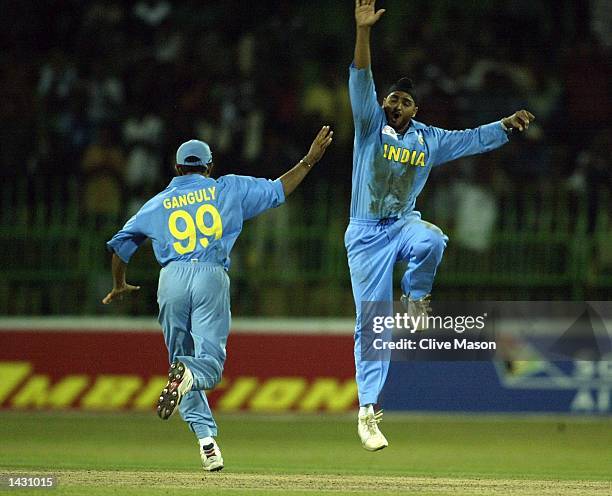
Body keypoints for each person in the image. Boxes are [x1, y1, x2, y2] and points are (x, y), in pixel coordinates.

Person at [347, 0, 535, 452]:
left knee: (432, 238)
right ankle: (368, 413)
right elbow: (361, 77)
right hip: (366, 234)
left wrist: (505, 127)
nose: (396, 103)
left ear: (415, 109)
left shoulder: (429, 138)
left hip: (403, 224)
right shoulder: (370, 125)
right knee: (371, 325)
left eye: (405, 100)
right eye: (392, 97)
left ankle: (415, 299)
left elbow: (471, 140)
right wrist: (364, 32)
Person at [102, 126, 333, 471]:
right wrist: (309, 161)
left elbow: (120, 246)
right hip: (210, 274)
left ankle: (206, 441)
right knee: (205, 365)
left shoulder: (157, 203)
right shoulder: (229, 188)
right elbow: (277, 190)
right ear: (210, 167)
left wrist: (119, 283)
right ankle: (193, 393)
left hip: (171, 280)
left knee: (179, 365)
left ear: (177, 169)